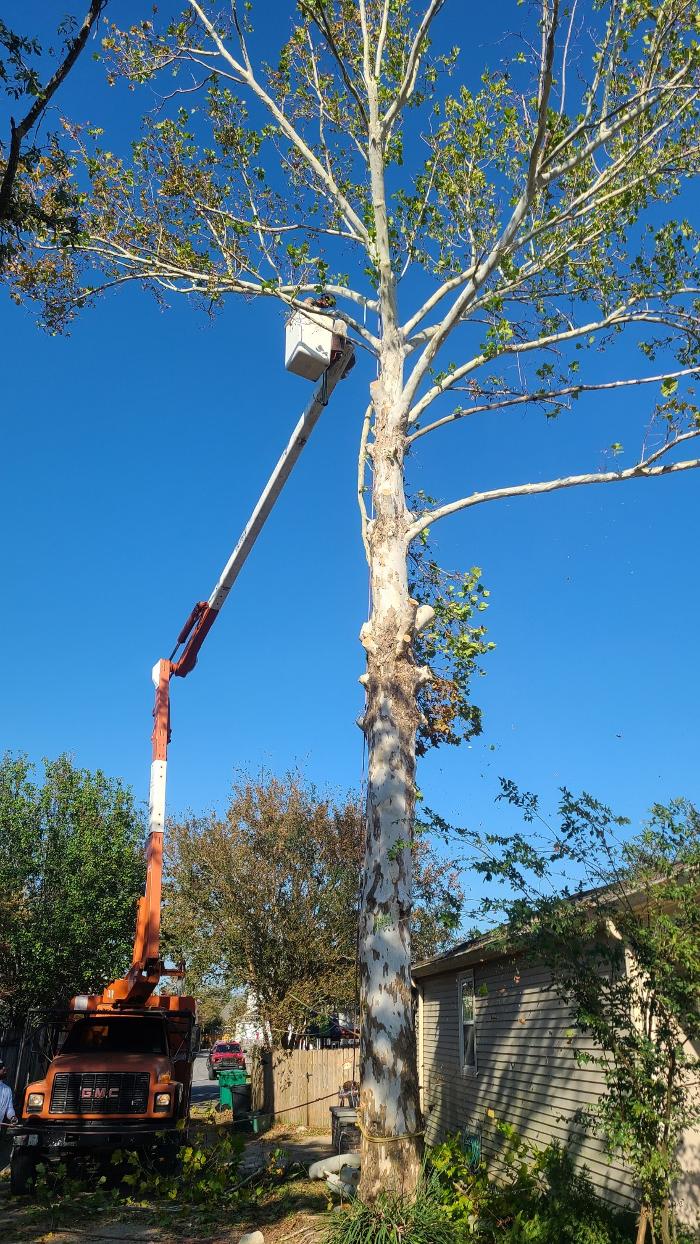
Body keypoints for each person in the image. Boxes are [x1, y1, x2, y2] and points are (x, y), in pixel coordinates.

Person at [0, 1061, 18, 1126]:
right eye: (0, 1067)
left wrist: (12, 1117)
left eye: (3, 1066)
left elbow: (9, 1108)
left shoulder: (7, 1090)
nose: (4, 1068)